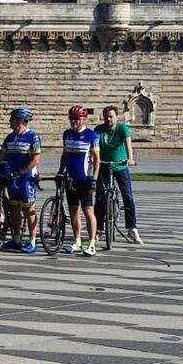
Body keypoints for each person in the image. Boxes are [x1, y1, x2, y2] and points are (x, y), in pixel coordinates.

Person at [0, 107, 42, 253]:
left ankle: (32, 240)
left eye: (11, 119)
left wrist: (21, 171)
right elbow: (0, 155)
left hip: (26, 178)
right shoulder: (10, 137)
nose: (9, 122)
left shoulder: (33, 137)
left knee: (28, 209)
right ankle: (17, 239)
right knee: (14, 209)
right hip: (12, 178)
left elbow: (35, 159)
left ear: (19, 121)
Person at [96, 106, 142, 243]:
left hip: (121, 165)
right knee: (99, 197)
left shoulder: (122, 128)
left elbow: (128, 145)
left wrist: (131, 158)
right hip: (103, 165)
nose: (108, 119)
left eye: (111, 116)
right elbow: (94, 146)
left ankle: (132, 228)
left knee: (127, 195)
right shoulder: (99, 130)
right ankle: (98, 228)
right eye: (106, 116)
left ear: (117, 117)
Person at [60, 105, 101, 256]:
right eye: (71, 118)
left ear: (84, 119)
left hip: (86, 179)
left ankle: (91, 243)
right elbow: (65, 155)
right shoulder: (67, 134)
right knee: (73, 210)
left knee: (88, 210)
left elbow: (97, 159)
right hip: (71, 178)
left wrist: (95, 179)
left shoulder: (92, 135)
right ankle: (77, 241)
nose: (73, 122)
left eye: (76, 119)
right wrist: (60, 171)